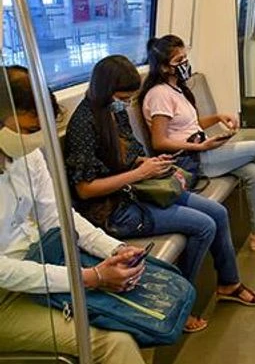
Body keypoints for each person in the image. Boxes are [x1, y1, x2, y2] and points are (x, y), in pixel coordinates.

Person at [64, 56, 255, 333]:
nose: (126, 103)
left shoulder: (114, 111)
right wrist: (139, 174)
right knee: (203, 226)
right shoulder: (83, 125)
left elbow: (131, 155)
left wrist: (155, 166)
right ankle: (178, 304)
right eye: (122, 98)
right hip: (114, 211)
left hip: (136, 191)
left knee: (218, 213)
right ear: (106, 90)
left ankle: (228, 283)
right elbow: (85, 189)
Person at [0, 65, 147, 364]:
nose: (35, 140)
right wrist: (89, 277)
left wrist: (114, 249)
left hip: (40, 263)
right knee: (114, 341)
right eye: (28, 130)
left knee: (136, 315)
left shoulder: (27, 155)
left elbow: (58, 217)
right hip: (7, 295)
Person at [139, 35, 255, 251]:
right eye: (179, 61)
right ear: (164, 67)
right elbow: (159, 142)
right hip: (188, 160)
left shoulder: (177, 89)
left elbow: (188, 126)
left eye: (185, 58)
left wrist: (217, 118)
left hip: (200, 151)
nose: (185, 64)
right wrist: (200, 147)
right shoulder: (159, 95)